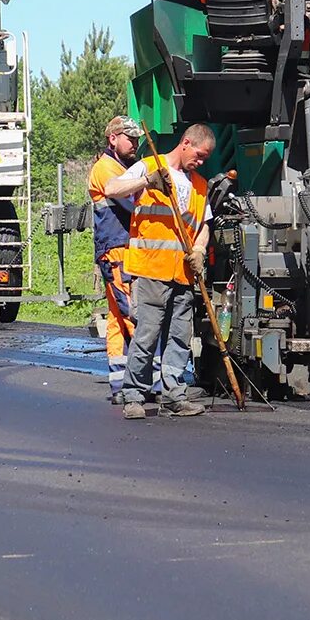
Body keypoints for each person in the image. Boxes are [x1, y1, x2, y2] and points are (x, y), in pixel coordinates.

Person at [104, 122, 218, 418]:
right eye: (200, 155)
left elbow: (204, 225)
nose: (201, 161)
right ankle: (134, 396)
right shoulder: (149, 166)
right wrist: (147, 181)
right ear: (186, 143)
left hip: (183, 272)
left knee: (179, 337)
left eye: (205, 158)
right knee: (147, 334)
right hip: (151, 268)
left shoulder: (199, 184)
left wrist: (200, 250)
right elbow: (112, 188)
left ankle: (174, 395)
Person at [88, 116, 143, 403]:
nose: (134, 143)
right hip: (117, 250)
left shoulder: (122, 167)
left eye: (136, 139)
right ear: (113, 138)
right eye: (129, 138)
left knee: (117, 319)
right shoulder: (105, 168)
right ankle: (141, 383)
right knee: (132, 314)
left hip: (120, 249)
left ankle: (120, 383)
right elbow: (121, 196)